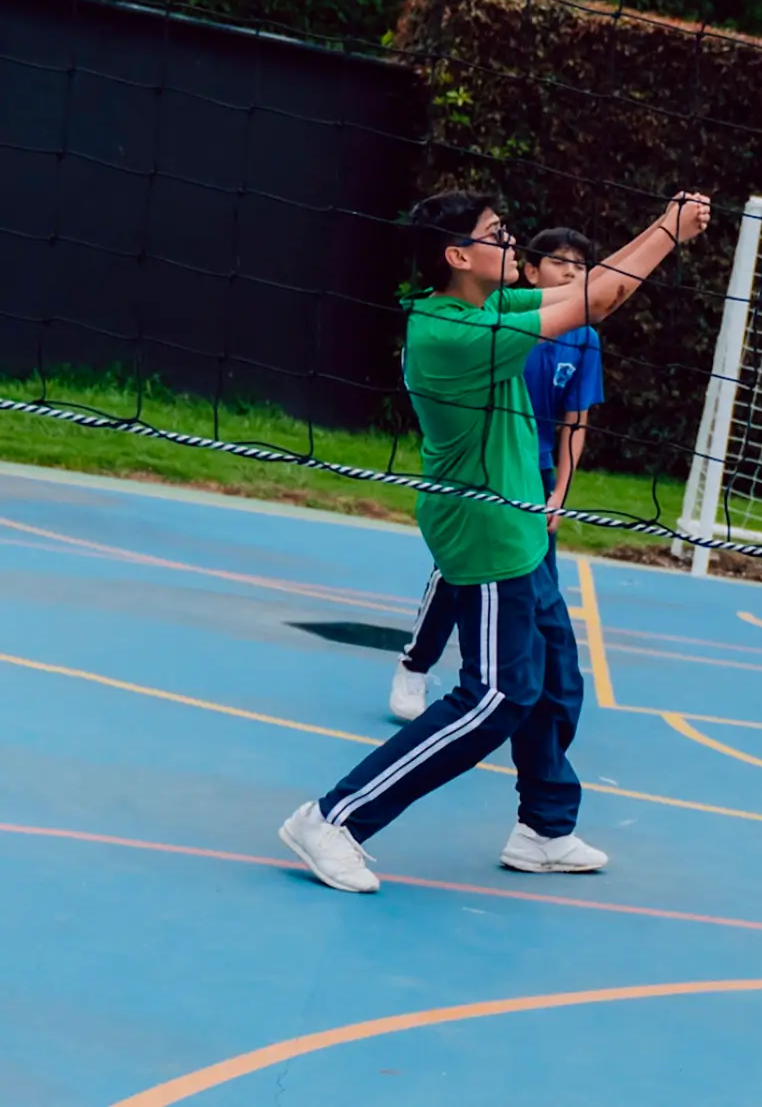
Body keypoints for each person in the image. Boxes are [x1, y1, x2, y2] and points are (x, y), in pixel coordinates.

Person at [279, 188, 712, 893]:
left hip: (520, 524)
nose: (514, 244)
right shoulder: (453, 333)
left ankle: (543, 827)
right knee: (494, 698)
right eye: (497, 233)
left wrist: (664, 224)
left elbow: (594, 291)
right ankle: (333, 818)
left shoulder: (481, 306)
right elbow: (595, 303)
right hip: (483, 529)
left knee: (551, 683)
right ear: (457, 255)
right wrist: (670, 228)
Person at [387, 227, 606, 723]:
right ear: (532, 273)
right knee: (458, 572)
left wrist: (560, 493)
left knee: (541, 599)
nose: (572, 272)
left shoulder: (583, 339)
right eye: (560, 262)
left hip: (536, 471)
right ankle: (416, 665)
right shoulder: (497, 319)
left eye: (580, 265)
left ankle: (536, 707)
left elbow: (576, 423)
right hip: (485, 471)